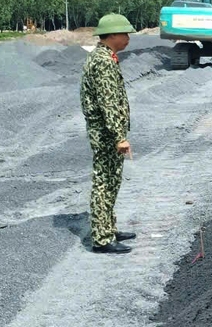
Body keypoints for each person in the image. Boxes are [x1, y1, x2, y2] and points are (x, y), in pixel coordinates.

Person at [80, 13, 137, 254]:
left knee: (112, 180)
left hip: (107, 132)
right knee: (104, 181)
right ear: (112, 35)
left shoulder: (103, 57)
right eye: (124, 34)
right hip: (106, 134)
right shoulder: (103, 61)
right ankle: (102, 239)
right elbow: (108, 101)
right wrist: (119, 136)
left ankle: (109, 228)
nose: (127, 39)